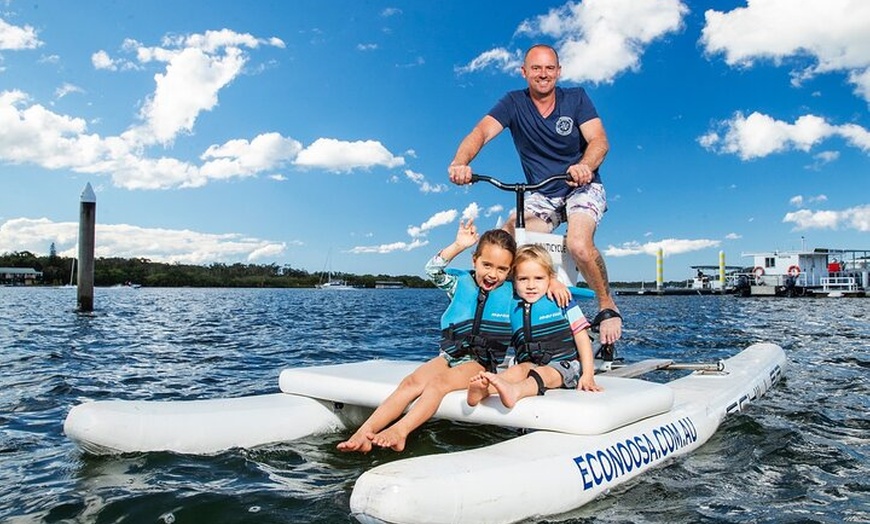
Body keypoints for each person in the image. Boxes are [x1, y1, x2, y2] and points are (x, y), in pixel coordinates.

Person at [448, 43, 622, 346]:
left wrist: (585, 165)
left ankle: (607, 304)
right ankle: (494, 314)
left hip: (580, 183)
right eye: (536, 68)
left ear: (558, 71)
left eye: (550, 68)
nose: (543, 74)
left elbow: (599, 141)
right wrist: (461, 162)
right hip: (542, 191)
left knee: (578, 244)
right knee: (505, 237)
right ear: (524, 72)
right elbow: (481, 132)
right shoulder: (513, 103)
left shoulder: (576, 98)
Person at [337, 219, 516, 453]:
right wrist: (458, 245)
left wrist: (553, 282)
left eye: (502, 269)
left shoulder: (514, 292)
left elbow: (539, 282)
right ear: (475, 260)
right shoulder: (459, 283)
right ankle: (363, 433)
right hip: (450, 356)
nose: (493, 274)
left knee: (438, 384)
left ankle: (401, 432)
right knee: (410, 382)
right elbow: (432, 270)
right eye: (487, 265)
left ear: (510, 270)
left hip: (480, 363)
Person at [467, 244, 602, 409]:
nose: (531, 285)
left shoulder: (562, 300)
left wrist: (588, 375)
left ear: (549, 278)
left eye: (539, 278)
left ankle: (515, 391)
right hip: (530, 363)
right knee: (518, 370)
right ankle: (484, 390)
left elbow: (582, 338)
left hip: (565, 365)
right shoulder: (512, 303)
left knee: (544, 373)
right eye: (523, 279)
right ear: (513, 280)